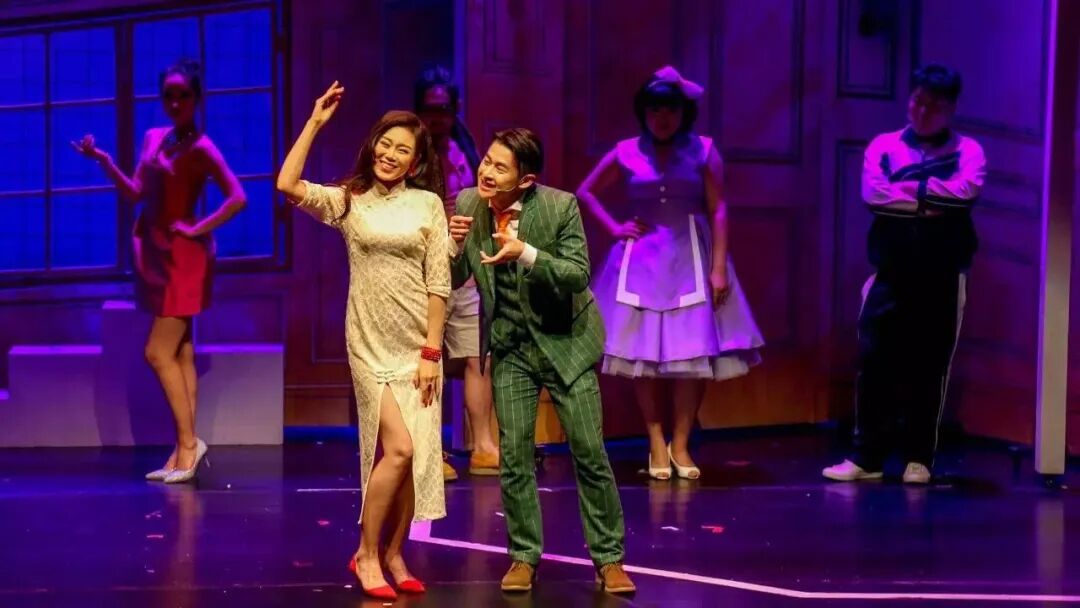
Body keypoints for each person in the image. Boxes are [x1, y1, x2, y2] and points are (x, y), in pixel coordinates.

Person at [277, 82, 450, 600]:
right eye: (385, 143)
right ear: (372, 145)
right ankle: (366, 553)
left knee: (416, 458)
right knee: (397, 449)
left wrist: (431, 351)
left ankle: (395, 553)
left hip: (419, 345)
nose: (390, 154)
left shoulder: (428, 204)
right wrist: (315, 122)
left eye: (402, 149)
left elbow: (439, 282)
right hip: (370, 343)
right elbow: (287, 184)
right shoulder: (349, 201)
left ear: (416, 163)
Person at [448, 128, 635, 594]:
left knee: (588, 450)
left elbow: (577, 274)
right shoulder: (469, 202)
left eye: (500, 167)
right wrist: (451, 246)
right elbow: (453, 277)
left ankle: (609, 558)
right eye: (486, 161)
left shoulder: (559, 206)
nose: (487, 172)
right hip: (512, 345)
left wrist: (527, 253)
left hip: (566, 342)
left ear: (526, 179)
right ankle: (523, 556)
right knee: (514, 455)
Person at [578, 66, 763, 481]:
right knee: (641, 355)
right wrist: (614, 227)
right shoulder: (626, 151)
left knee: (691, 354)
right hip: (641, 261)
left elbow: (718, 207)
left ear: (683, 113)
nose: (663, 117)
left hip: (690, 258)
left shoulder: (704, 150)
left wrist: (719, 267)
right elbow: (585, 191)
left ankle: (681, 443)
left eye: (671, 110)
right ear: (644, 112)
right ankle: (656, 442)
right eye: (655, 109)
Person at [72, 59, 246, 484]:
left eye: (183, 95)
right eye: (169, 95)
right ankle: (181, 449)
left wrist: (198, 228)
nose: (175, 102)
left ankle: (189, 444)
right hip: (154, 253)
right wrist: (104, 160)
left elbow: (237, 197)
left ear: (196, 98)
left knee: (157, 351)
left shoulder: (202, 147)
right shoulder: (154, 137)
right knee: (181, 350)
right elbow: (136, 192)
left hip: (184, 258)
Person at [822, 63, 985, 485]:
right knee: (874, 359)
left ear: (951, 108)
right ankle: (867, 456)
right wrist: (929, 201)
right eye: (917, 100)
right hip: (891, 270)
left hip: (942, 272)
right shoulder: (884, 145)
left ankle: (919, 457)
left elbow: (965, 193)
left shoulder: (968, 150)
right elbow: (875, 196)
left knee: (930, 363)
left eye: (934, 105)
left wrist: (911, 190)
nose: (923, 111)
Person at [413, 65, 499, 479]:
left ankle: (482, 446)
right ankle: (432, 450)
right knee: (427, 359)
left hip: (466, 271)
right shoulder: (411, 153)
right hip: (423, 272)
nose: (437, 118)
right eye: (430, 110)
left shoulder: (466, 148)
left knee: (477, 357)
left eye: (444, 109)